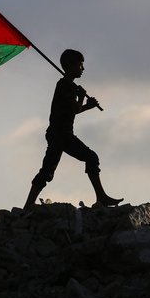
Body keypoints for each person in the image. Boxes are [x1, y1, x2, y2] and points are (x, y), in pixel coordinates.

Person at [23, 49, 123, 210]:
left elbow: (72, 110)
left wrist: (86, 104)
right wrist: (82, 98)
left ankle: (28, 205)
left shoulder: (67, 85)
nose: (82, 69)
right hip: (61, 134)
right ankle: (101, 197)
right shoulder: (65, 85)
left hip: (59, 133)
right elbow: (74, 109)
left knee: (48, 171)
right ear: (70, 66)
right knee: (90, 157)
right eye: (80, 65)